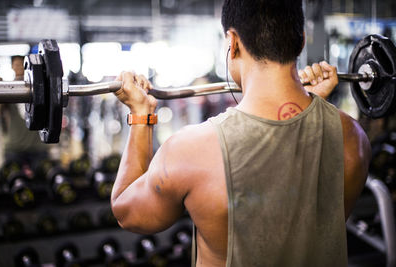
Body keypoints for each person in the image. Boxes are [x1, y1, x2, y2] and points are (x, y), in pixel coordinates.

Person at [110, 1, 371, 266]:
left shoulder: (190, 151)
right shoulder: (352, 138)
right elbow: (308, 223)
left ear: (232, 43)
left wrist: (141, 115)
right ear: (301, 41)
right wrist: (313, 106)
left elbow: (127, 212)